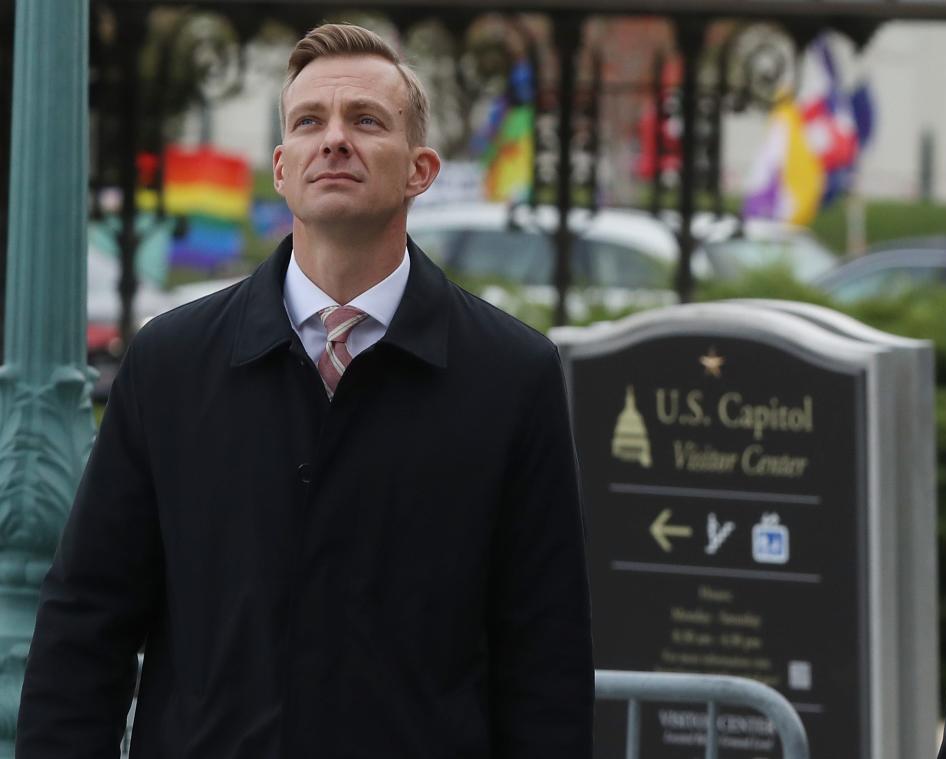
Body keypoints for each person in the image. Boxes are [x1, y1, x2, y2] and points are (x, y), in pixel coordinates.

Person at [16, 22, 594, 758]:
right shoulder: (171, 361)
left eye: (366, 120)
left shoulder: (513, 375)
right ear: (283, 167)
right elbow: (84, 623)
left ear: (420, 170)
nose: (335, 140)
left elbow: (545, 654)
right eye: (309, 122)